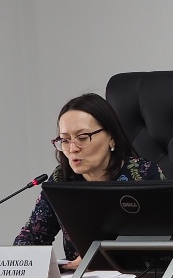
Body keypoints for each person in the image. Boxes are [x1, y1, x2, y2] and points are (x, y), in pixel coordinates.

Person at [14, 93, 163, 264]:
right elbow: (31, 238)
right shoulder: (61, 179)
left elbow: (164, 243)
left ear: (112, 137)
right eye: (65, 140)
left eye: (83, 137)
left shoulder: (144, 175)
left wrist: (99, 259)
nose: (72, 149)